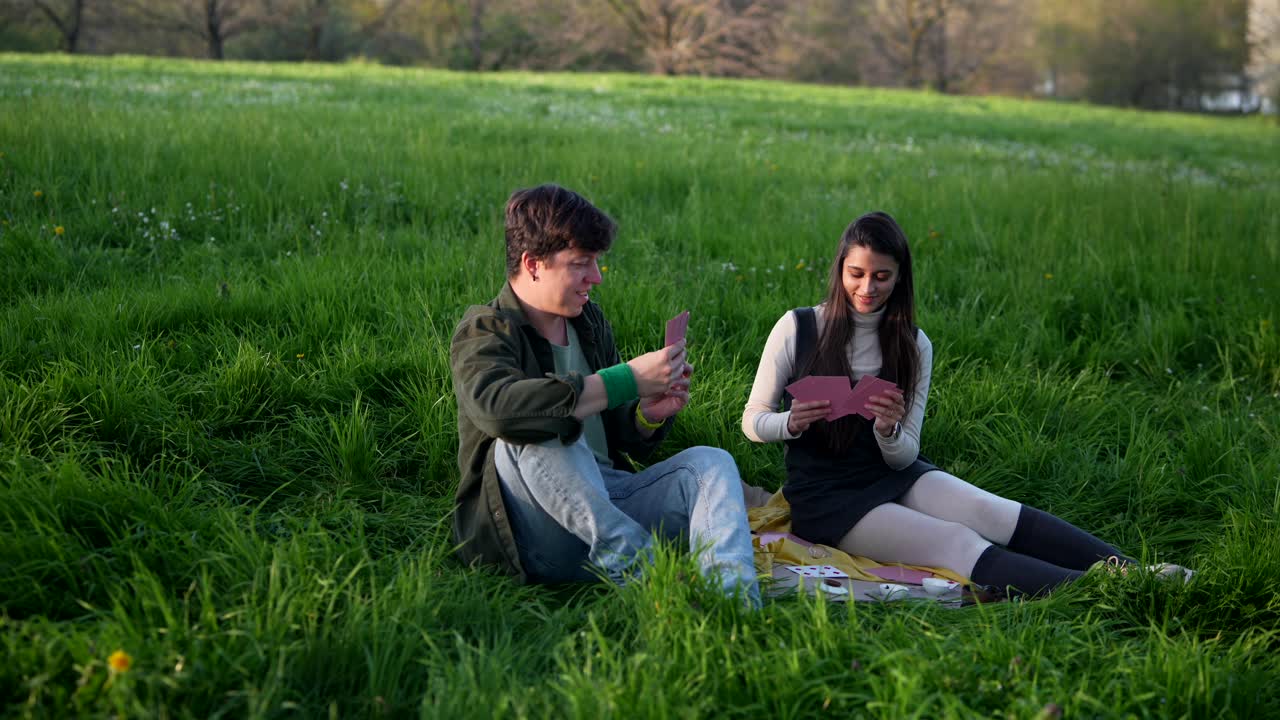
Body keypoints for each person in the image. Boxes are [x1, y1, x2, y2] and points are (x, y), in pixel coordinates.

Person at [742, 211, 1180, 597]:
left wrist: (886, 430)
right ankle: (1108, 590)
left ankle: (1136, 572)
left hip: (888, 472)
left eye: (882, 276)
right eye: (856, 273)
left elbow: (905, 455)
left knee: (990, 510)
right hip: (826, 497)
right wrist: (789, 424)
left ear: (900, 277)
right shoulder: (798, 327)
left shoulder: (912, 344)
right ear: (840, 268)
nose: (867, 287)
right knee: (956, 541)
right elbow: (751, 420)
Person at [451, 184, 759, 605]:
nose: (595, 277)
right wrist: (625, 379)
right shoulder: (486, 329)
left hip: (607, 500)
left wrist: (646, 413)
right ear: (533, 264)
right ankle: (654, 578)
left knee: (711, 463)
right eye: (581, 264)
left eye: (595, 262)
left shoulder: (586, 320)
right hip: (536, 533)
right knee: (543, 431)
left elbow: (618, 436)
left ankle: (732, 602)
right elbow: (498, 410)